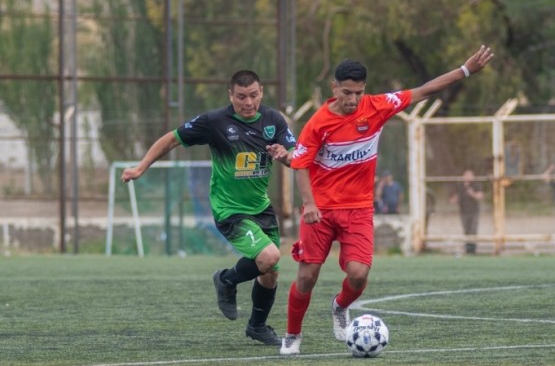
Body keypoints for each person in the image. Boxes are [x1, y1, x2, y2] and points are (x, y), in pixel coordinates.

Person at [279, 45, 494, 355]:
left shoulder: (378, 106)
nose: (352, 99)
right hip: (321, 210)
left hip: (359, 210)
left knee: (358, 274)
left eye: (358, 92)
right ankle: (292, 335)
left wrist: (465, 70)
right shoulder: (318, 123)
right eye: (346, 92)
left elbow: (423, 91)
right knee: (307, 275)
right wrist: (309, 204)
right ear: (334, 88)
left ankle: (340, 307)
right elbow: (299, 164)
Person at [121, 70, 296, 346]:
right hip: (230, 210)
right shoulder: (215, 122)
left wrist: (286, 157)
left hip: (261, 208)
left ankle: (257, 327)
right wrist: (141, 167)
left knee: (270, 271)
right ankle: (226, 280)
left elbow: (295, 156)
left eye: (253, 96)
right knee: (270, 256)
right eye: (241, 97)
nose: (248, 103)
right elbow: (172, 138)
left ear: (261, 92)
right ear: (230, 95)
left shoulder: (274, 119)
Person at [449, 169, 484, 254]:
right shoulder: (459, 186)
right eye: (466, 175)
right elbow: (452, 200)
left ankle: (473, 250)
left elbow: (480, 196)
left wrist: (473, 194)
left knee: (473, 230)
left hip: (474, 211)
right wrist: (455, 198)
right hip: (463, 211)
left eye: (470, 175)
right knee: (466, 230)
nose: (468, 177)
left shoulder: (476, 185)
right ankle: (467, 249)